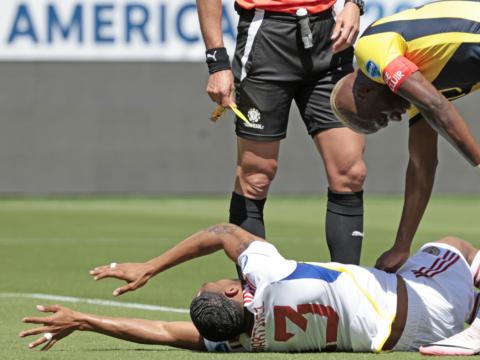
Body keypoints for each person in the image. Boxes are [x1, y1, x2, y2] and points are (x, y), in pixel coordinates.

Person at [20, 223, 480, 354]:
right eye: (223, 283)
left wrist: (85, 320)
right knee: (455, 243)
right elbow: (223, 232)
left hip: (404, 342)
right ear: (237, 295)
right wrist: (151, 267)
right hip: (421, 303)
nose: (231, 279)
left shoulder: (240, 341)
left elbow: (160, 331)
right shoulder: (269, 279)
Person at [196, 0, 367, 264]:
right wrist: (217, 63)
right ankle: (254, 296)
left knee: (350, 172)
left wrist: (354, 4)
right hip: (266, 35)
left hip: (329, 36)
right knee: (256, 177)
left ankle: (348, 293)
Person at [330, 0, 480, 272]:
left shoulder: (369, 51)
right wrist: (402, 244)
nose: (395, 118)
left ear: (365, 92)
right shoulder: (418, 81)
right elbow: (422, 166)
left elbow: (438, 106)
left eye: (383, 117)